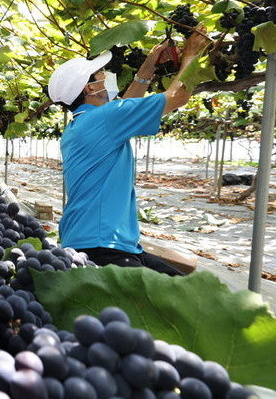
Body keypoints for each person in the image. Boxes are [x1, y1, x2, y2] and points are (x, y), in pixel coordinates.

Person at [48, 30, 208, 275]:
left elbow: (125, 108)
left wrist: (148, 68)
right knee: (182, 302)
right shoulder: (106, 118)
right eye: (101, 76)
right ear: (90, 88)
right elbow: (179, 95)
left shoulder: (84, 123)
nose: (106, 77)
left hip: (93, 238)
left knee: (184, 287)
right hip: (102, 244)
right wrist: (191, 55)